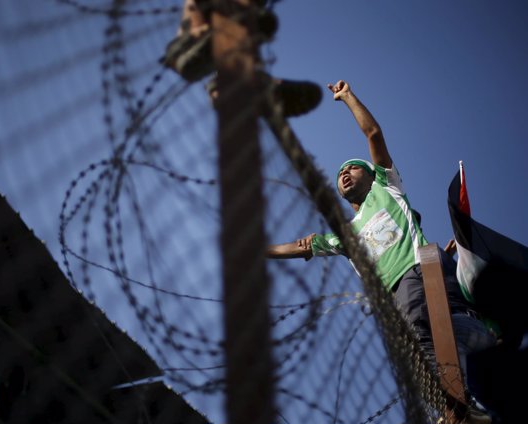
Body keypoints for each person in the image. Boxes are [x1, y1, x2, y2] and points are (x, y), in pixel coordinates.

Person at [266, 80, 497, 423]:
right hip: (396, 298)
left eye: (352, 167)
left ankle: (458, 406)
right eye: (340, 172)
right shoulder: (345, 236)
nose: (344, 173)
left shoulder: (387, 189)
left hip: (418, 273)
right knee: (446, 340)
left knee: (422, 343)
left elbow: (373, 133)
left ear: (371, 175)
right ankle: (486, 356)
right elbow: (301, 246)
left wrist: (347, 97)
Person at [161, 0, 322, 118]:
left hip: (219, 41)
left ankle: (246, 84)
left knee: (255, 22)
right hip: (192, 41)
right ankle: (194, 54)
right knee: (253, 21)